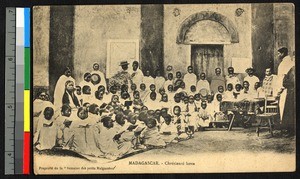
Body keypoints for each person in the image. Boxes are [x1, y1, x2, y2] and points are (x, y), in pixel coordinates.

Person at [276, 47, 295, 135]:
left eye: (279, 53)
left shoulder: (287, 63)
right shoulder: (285, 62)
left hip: (286, 89)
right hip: (284, 89)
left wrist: (280, 90)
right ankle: (285, 127)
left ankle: (287, 128)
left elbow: (284, 78)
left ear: (283, 53)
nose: (278, 55)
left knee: (285, 108)